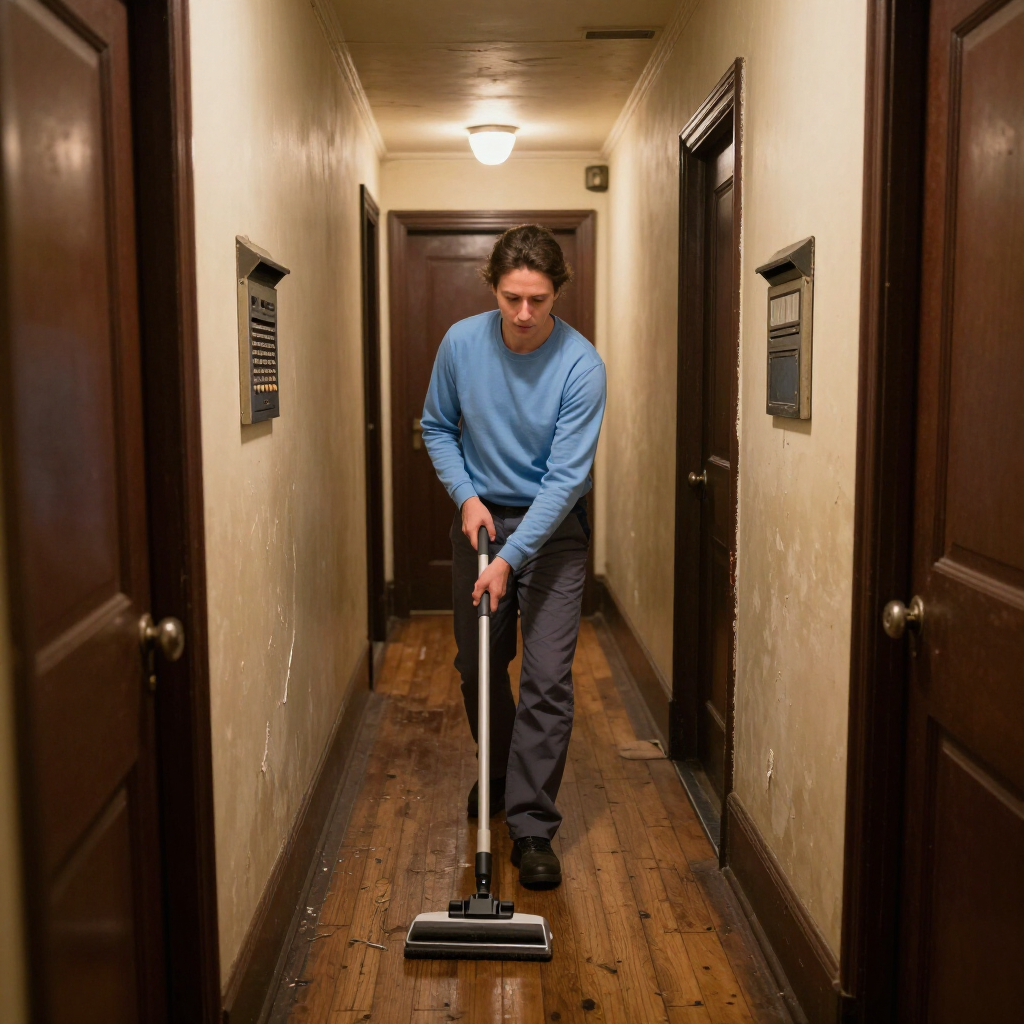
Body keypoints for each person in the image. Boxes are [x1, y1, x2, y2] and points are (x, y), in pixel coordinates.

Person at [420, 224, 606, 889]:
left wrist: (511, 557)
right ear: (492, 289)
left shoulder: (582, 365)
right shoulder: (460, 345)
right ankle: (496, 772)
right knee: (477, 665)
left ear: (558, 291)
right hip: (479, 525)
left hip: (553, 533)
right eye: (511, 298)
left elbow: (565, 480)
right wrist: (466, 498)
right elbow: (437, 426)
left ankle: (531, 823)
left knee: (548, 677)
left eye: (538, 299)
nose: (525, 314)